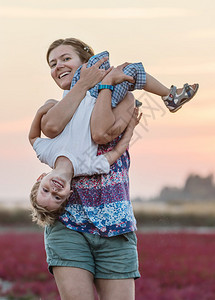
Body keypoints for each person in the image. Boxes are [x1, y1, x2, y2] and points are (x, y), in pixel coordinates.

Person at [32, 37, 199, 300]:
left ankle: (171, 96)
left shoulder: (124, 100)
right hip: (69, 224)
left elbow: (100, 133)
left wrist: (106, 85)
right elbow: (49, 128)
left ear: (88, 63)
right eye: (52, 63)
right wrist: (85, 85)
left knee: (132, 69)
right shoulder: (55, 106)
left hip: (115, 225)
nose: (58, 66)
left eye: (65, 59)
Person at [29, 100, 141, 225]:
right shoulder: (86, 167)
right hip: (101, 106)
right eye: (57, 197)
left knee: (49, 115)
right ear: (69, 194)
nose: (54, 190)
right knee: (127, 97)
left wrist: (40, 111)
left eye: (45, 190)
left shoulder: (46, 154)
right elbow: (116, 152)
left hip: (80, 97)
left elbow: (33, 138)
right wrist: (130, 127)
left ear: (41, 178)